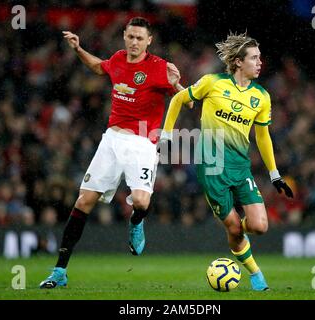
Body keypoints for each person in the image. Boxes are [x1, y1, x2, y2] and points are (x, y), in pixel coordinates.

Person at [40, 17, 189, 289]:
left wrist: (178, 84)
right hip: (111, 141)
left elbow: (186, 101)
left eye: (139, 38)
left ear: (149, 41)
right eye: (130, 37)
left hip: (143, 143)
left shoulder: (159, 68)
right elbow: (99, 67)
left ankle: (135, 223)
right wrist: (78, 48)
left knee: (142, 203)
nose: (134, 42)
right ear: (124, 36)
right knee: (83, 201)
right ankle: (59, 271)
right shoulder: (118, 59)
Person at [159, 32, 293, 291]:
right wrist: (166, 136)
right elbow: (178, 99)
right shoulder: (212, 83)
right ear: (239, 62)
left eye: (260, 57)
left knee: (259, 226)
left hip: (240, 167)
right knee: (233, 226)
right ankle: (255, 273)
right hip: (212, 167)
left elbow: (262, 136)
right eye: (254, 58)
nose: (260, 62)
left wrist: (275, 174)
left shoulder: (262, 97)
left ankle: (237, 237)